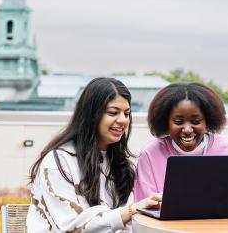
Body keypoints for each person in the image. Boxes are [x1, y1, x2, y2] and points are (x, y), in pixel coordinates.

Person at [27, 77, 162, 232]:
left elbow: (129, 227)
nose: (123, 120)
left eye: (126, 113)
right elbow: (72, 227)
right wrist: (131, 211)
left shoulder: (120, 165)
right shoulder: (58, 161)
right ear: (91, 115)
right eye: (113, 113)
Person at [134, 82, 228, 201]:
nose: (187, 130)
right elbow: (142, 209)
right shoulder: (150, 154)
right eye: (178, 122)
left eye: (196, 121)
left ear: (207, 120)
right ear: (165, 122)